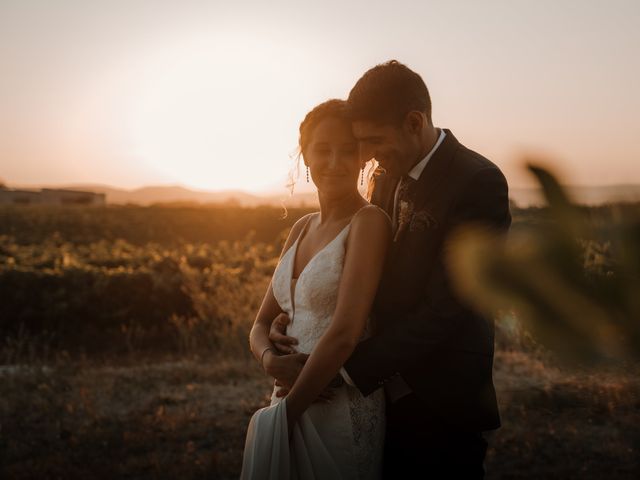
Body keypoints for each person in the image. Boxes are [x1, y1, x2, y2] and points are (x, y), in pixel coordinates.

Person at [269, 60, 512, 478]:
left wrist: (342, 370)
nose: (367, 156)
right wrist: (296, 315)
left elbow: (446, 307)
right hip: (378, 395)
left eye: (374, 141)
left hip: (440, 397)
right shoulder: (385, 176)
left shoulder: (478, 182)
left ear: (414, 122)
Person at [241, 99, 391, 479]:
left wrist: (285, 418)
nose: (335, 162)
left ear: (364, 157)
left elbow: (344, 333)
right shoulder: (302, 227)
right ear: (305, 156)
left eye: (348, 150)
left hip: (337, 405)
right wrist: (271, 362)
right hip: (286, 392)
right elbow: (260, 325)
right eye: (323, 150)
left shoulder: (368, 223)